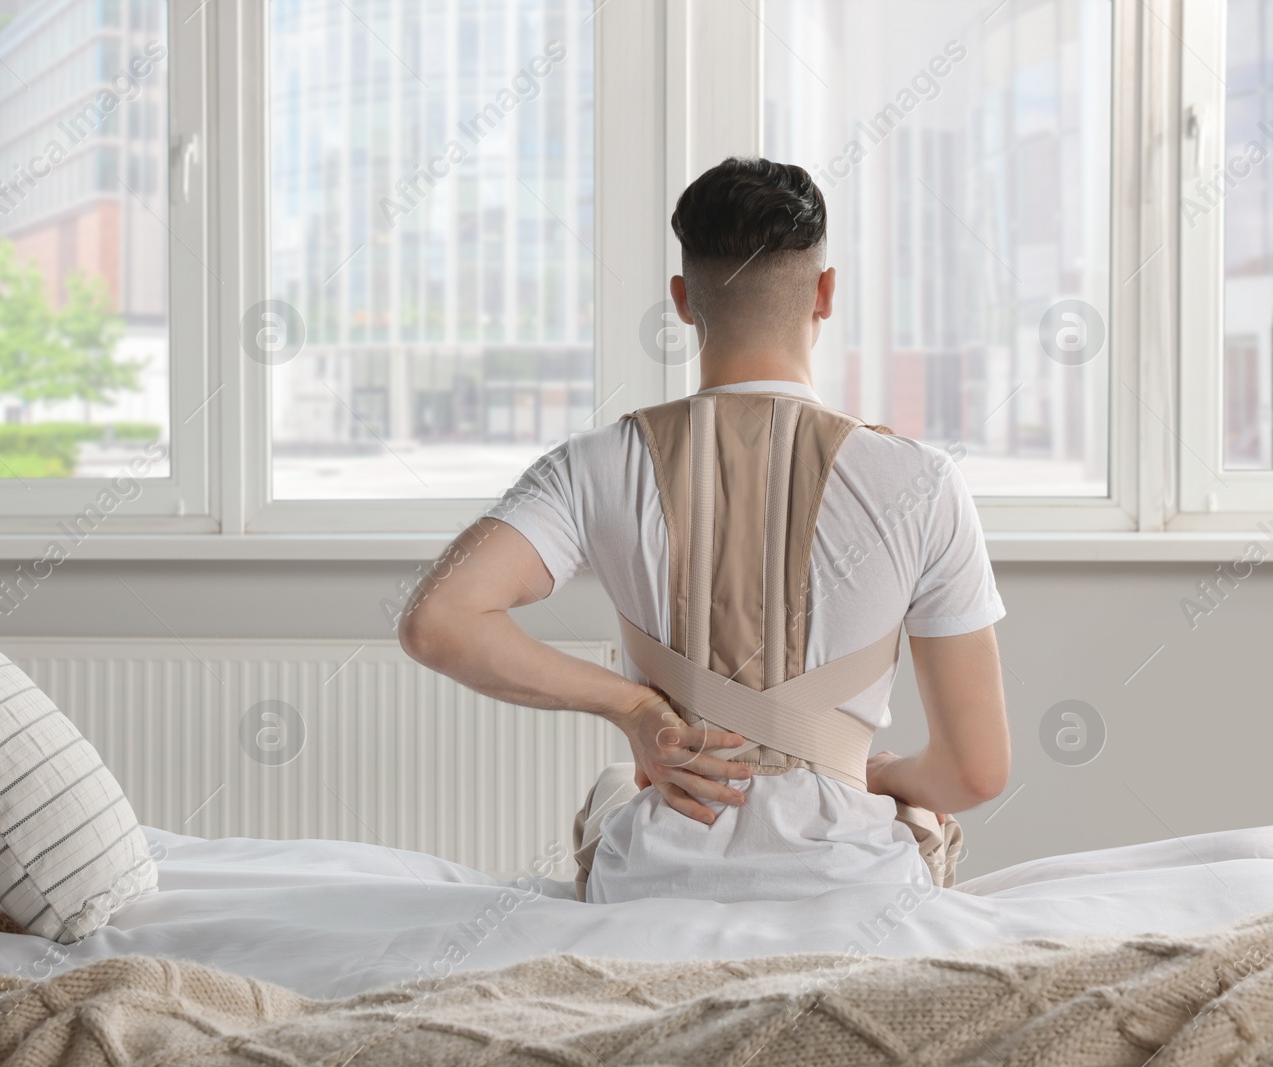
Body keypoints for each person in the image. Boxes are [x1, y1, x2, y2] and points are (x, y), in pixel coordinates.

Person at [398, 156, 1010, 904]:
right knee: (919, 816)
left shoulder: (595, 463)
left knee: (616, 789)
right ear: (825, 293)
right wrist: (876, 775)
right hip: (851, 884)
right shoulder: (922, 479)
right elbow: (978, 771)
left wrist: (634, 709)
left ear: (683, 302)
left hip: (655, 880)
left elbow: (437, 621)